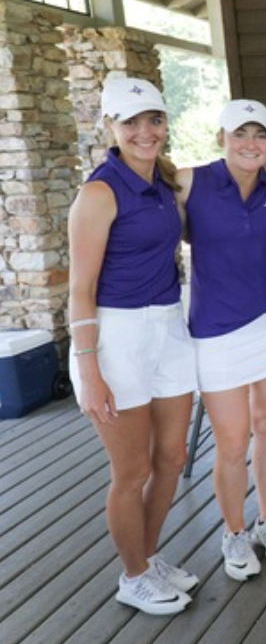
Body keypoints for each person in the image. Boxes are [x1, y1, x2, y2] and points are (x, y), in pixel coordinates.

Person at [67, 77, 199, 615]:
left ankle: (147, 554)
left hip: (168, 326)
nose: (145, 132)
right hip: (116, 335)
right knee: (132, 471)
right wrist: (90, 370)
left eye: (154, 120)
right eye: (131, 123)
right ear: (111, 128)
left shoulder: (165, 185)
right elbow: (80, 289)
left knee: (171, 457)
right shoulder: (98, 192)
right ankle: (133, 575)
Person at [177, 100, 266, 580]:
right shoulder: (189, 182)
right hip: (216, 329)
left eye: (260, 135)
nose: (250, 144)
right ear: (221, 138)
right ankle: (234, 532)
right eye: (239, 134)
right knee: (231, 441)